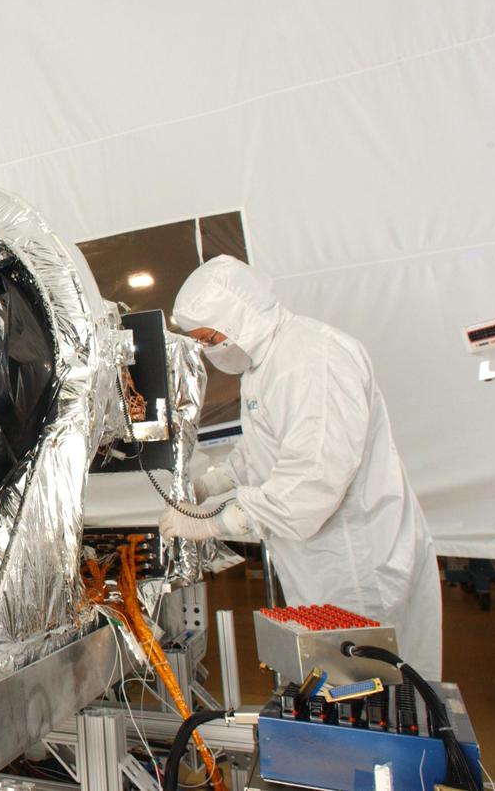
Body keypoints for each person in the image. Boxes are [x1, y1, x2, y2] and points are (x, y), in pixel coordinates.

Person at [161, 255, 442, 680]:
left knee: (382, 696)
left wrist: (216, 521)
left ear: (239, 318)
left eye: (210, 338)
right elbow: (264, 453)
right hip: (321, 565)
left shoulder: (312, 361)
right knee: (343, 693)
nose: (208, 350)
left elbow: (310, 485)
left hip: (359, 566)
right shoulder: (264, 365)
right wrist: (209, 483)